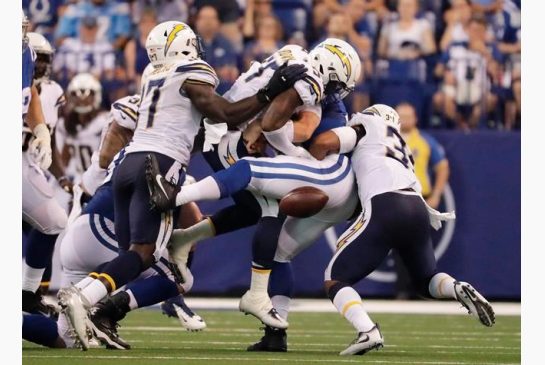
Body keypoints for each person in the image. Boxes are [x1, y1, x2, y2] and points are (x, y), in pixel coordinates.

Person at [59, 20, 307, 350]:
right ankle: (83, 297)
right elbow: (225, 113)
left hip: (129, 165)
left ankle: (96, 309)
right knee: (143, 255)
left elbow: (192, 124)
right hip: (158, 165)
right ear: (182, 46)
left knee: (129, 258)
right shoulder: (191, 69)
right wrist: (269, 90)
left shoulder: (152, 75)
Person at [147, 38, 361, 334]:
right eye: (337, 84)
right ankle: (256, 294)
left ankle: (183, 240)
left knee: (252, 212)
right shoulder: (311, 78)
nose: (336, 92)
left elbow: (270, 115)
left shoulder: (295, 54)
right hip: (227, 136)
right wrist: (293, 153)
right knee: (271, 207)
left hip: (225, 130)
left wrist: (259, 123)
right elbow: (275, 126)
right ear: (328, 68)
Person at [308, 104, 494, 356]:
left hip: (386, 204)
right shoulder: (403, 144)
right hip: (417, 206)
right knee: (425, 280)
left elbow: (325, 142)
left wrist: (309, 164)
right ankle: (455, 287)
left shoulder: (367, 126)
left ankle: (368, 331)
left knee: (334, 278)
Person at [22, 11, 65, 317]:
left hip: (21, 158)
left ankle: (26, 294)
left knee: (54, 220)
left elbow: (31, 93)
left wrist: (40, 131)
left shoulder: (23, 52)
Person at [56, 73, 110, 183]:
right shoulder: (67, 124)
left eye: (88, 94)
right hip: (79, 179)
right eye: (76, 95)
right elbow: (64, 159)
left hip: (102, 179)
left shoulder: (105, 122)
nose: (82, 100)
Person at [53, 16, 116, 94]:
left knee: (114, 82)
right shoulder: (69, 44)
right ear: (81, 28)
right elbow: (57, 67)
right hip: (72, 80)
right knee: (62, 79)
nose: (89, 31)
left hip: (98, 81)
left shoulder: (105, 46)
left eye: (92, 28)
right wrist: (75, 78)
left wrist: (93, 79)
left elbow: (109, 70)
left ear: (97, 29)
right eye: (86, 28)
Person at [195, 6, 240, 94]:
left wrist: (231, 71)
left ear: (218, 22)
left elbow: (231, 68)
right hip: (198, 91)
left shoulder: (226, 43)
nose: (208, 22)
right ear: (196, 21)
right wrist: (218, 72)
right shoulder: (190, 43)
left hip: (222, 91)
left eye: (212, 18)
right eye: (204, 18)